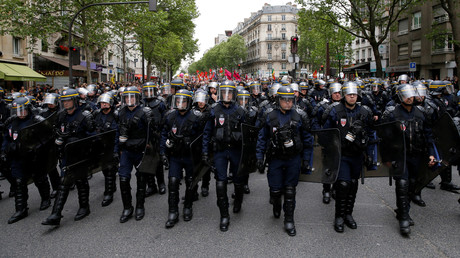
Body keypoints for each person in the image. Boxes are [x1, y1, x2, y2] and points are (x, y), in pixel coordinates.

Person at [256, 86, 313, 236]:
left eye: (290, 100)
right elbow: (262, 138)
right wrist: (259, 157)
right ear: (277, 100)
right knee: (275, 190)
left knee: (290, 191)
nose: (287, 103)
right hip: (275, 159)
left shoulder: (300, 115)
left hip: (293, 159)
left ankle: (289, 220)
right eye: (284, 100)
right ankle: (276, 204)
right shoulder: (269, 115)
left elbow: (308, 140)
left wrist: (306, 159)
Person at [381, 84, 436, 235]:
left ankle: (403, 209)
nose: (410, 98)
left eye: (412, 94)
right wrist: (386, 157)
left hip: (416, 155)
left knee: (412, 184)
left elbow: (428, 135)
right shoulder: (393, 114)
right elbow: (385, 137)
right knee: (402, 183)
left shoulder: (421, 113)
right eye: (407, 95)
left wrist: (431, 154)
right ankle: (404, 218)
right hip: (400, 156)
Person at [323, 82, 374, 233]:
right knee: (343, 185)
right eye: (349, 94)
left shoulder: (365, 112)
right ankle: (339, 216)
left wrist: (370, 153)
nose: (352, 96)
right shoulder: (335, 111)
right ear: (344, 95)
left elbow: (371, 134)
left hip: (357, 154)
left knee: (353, 184)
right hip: (341, 155)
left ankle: (348, 214)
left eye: (354, 94)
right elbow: (326, 133)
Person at [42, 89, 95, 226]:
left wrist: (75, 139)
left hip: (80, 154)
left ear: (75, 101)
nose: (65, 104)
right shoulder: (61, 116)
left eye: (68, 100)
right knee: (64, 181)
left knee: (81, 181)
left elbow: (94, 137)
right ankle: (56, 214)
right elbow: (57, 130)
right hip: (66, 155)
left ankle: (84, 207)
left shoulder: (85, 116)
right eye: (64, 101)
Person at [202, 80, 246, 232]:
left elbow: (249, 134)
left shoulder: (241, 111)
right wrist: (205, 151)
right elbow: (207, 132)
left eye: (230, 92)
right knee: (220, 184)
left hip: (235, 150)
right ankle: (224, 215)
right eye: (224, 92)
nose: (227, 95)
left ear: (234, 94)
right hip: (220, 150)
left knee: (238, 180)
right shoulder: (214, 110)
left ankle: (239, 200)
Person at [2, 97, 51, 224]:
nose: (20, 113)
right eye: (17, 111)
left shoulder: (36, 121)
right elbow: (7, 138)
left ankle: (45, 198)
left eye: (22, 110)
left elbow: (47, 138)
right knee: (19, 182)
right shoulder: (12, 121)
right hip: (18, 158)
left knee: (39, 179)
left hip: (34, 157)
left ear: (28, 109)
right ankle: (21, 209)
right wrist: (6, 149)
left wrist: (36, 148)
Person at [160, 89, 202, 228]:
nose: (180, 104)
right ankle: (173, 212)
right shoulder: (170, 116)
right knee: (173, 182)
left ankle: (188, 207)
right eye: (178, 101)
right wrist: (163, 153)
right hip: (175, 155)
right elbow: (164, 134)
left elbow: (202, 138)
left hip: (189, 156)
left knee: (190, 182)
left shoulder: (196, 117)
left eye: (183, 101)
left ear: (189, 102)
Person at [116, 86, 152, 223]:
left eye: (132, 97)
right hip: (126, 150)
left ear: (137, 98)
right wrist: (116, 150)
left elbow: (150, 134)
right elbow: (117, 132)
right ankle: (127, 207)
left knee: (141, 179)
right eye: (127, 97)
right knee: (123, 179)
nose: (129, 100)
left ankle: (140, 206)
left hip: (140, 150)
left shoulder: (144, 113)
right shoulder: (121, 112)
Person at [94, 93, 119, 207]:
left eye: (106, 103)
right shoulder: (97, 114)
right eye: (102, 103)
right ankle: (112, 186)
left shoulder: (115, 115)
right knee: (105, 170)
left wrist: (117, 150)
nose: (103, 105)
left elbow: (119, 132)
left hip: (112, 145)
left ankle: (108, 193)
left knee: (110, 169)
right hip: (101, 146)